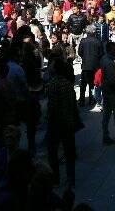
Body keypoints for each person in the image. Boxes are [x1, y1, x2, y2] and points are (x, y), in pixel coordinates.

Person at [45, 57, 80, 188]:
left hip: (57, 122)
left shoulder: (53, 84)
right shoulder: (67, 83)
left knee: (52, 151)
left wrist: (49, 118)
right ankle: (71, 178)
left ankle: (55, 177)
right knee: (69, 151)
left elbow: (52, 105)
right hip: (68, 121)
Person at [77, 24, 102, 107]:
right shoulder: (98, 41)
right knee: (92, 84)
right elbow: (101, 54)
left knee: (83, 84)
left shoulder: (83, 41)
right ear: (94, 32)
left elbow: (79, 52)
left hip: (85, 65)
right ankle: (92, 99)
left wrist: (84, 57)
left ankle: (82, 100)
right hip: (95, 65)